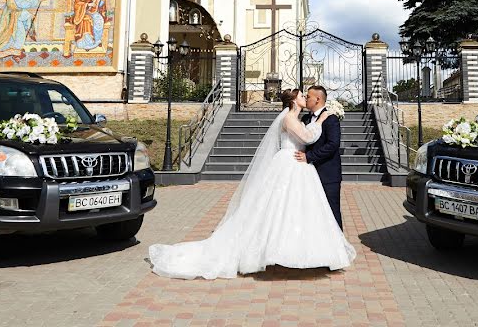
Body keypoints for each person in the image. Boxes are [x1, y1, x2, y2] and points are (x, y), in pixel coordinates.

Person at [146, 89, 356, 279]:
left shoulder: (298, 117)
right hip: (289, 164)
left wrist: (321, 121)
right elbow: (308, 137)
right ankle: (272, 252)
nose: (304, 98)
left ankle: (307, 252)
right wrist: (320, 121)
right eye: (302, 95)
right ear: (293, 100)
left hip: (299, 166)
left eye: (306, 95)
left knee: (296, 210)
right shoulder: (290, 119)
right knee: (278, 209)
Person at [294, 85, 343, 229]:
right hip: (308, 174)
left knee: (332, 211)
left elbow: (332, 145)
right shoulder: (306, 118)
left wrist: (309, 156)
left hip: (327, 174)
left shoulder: (331, 119)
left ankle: (338, 246)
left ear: (318, 99)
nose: (306, 98)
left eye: (308, 96)